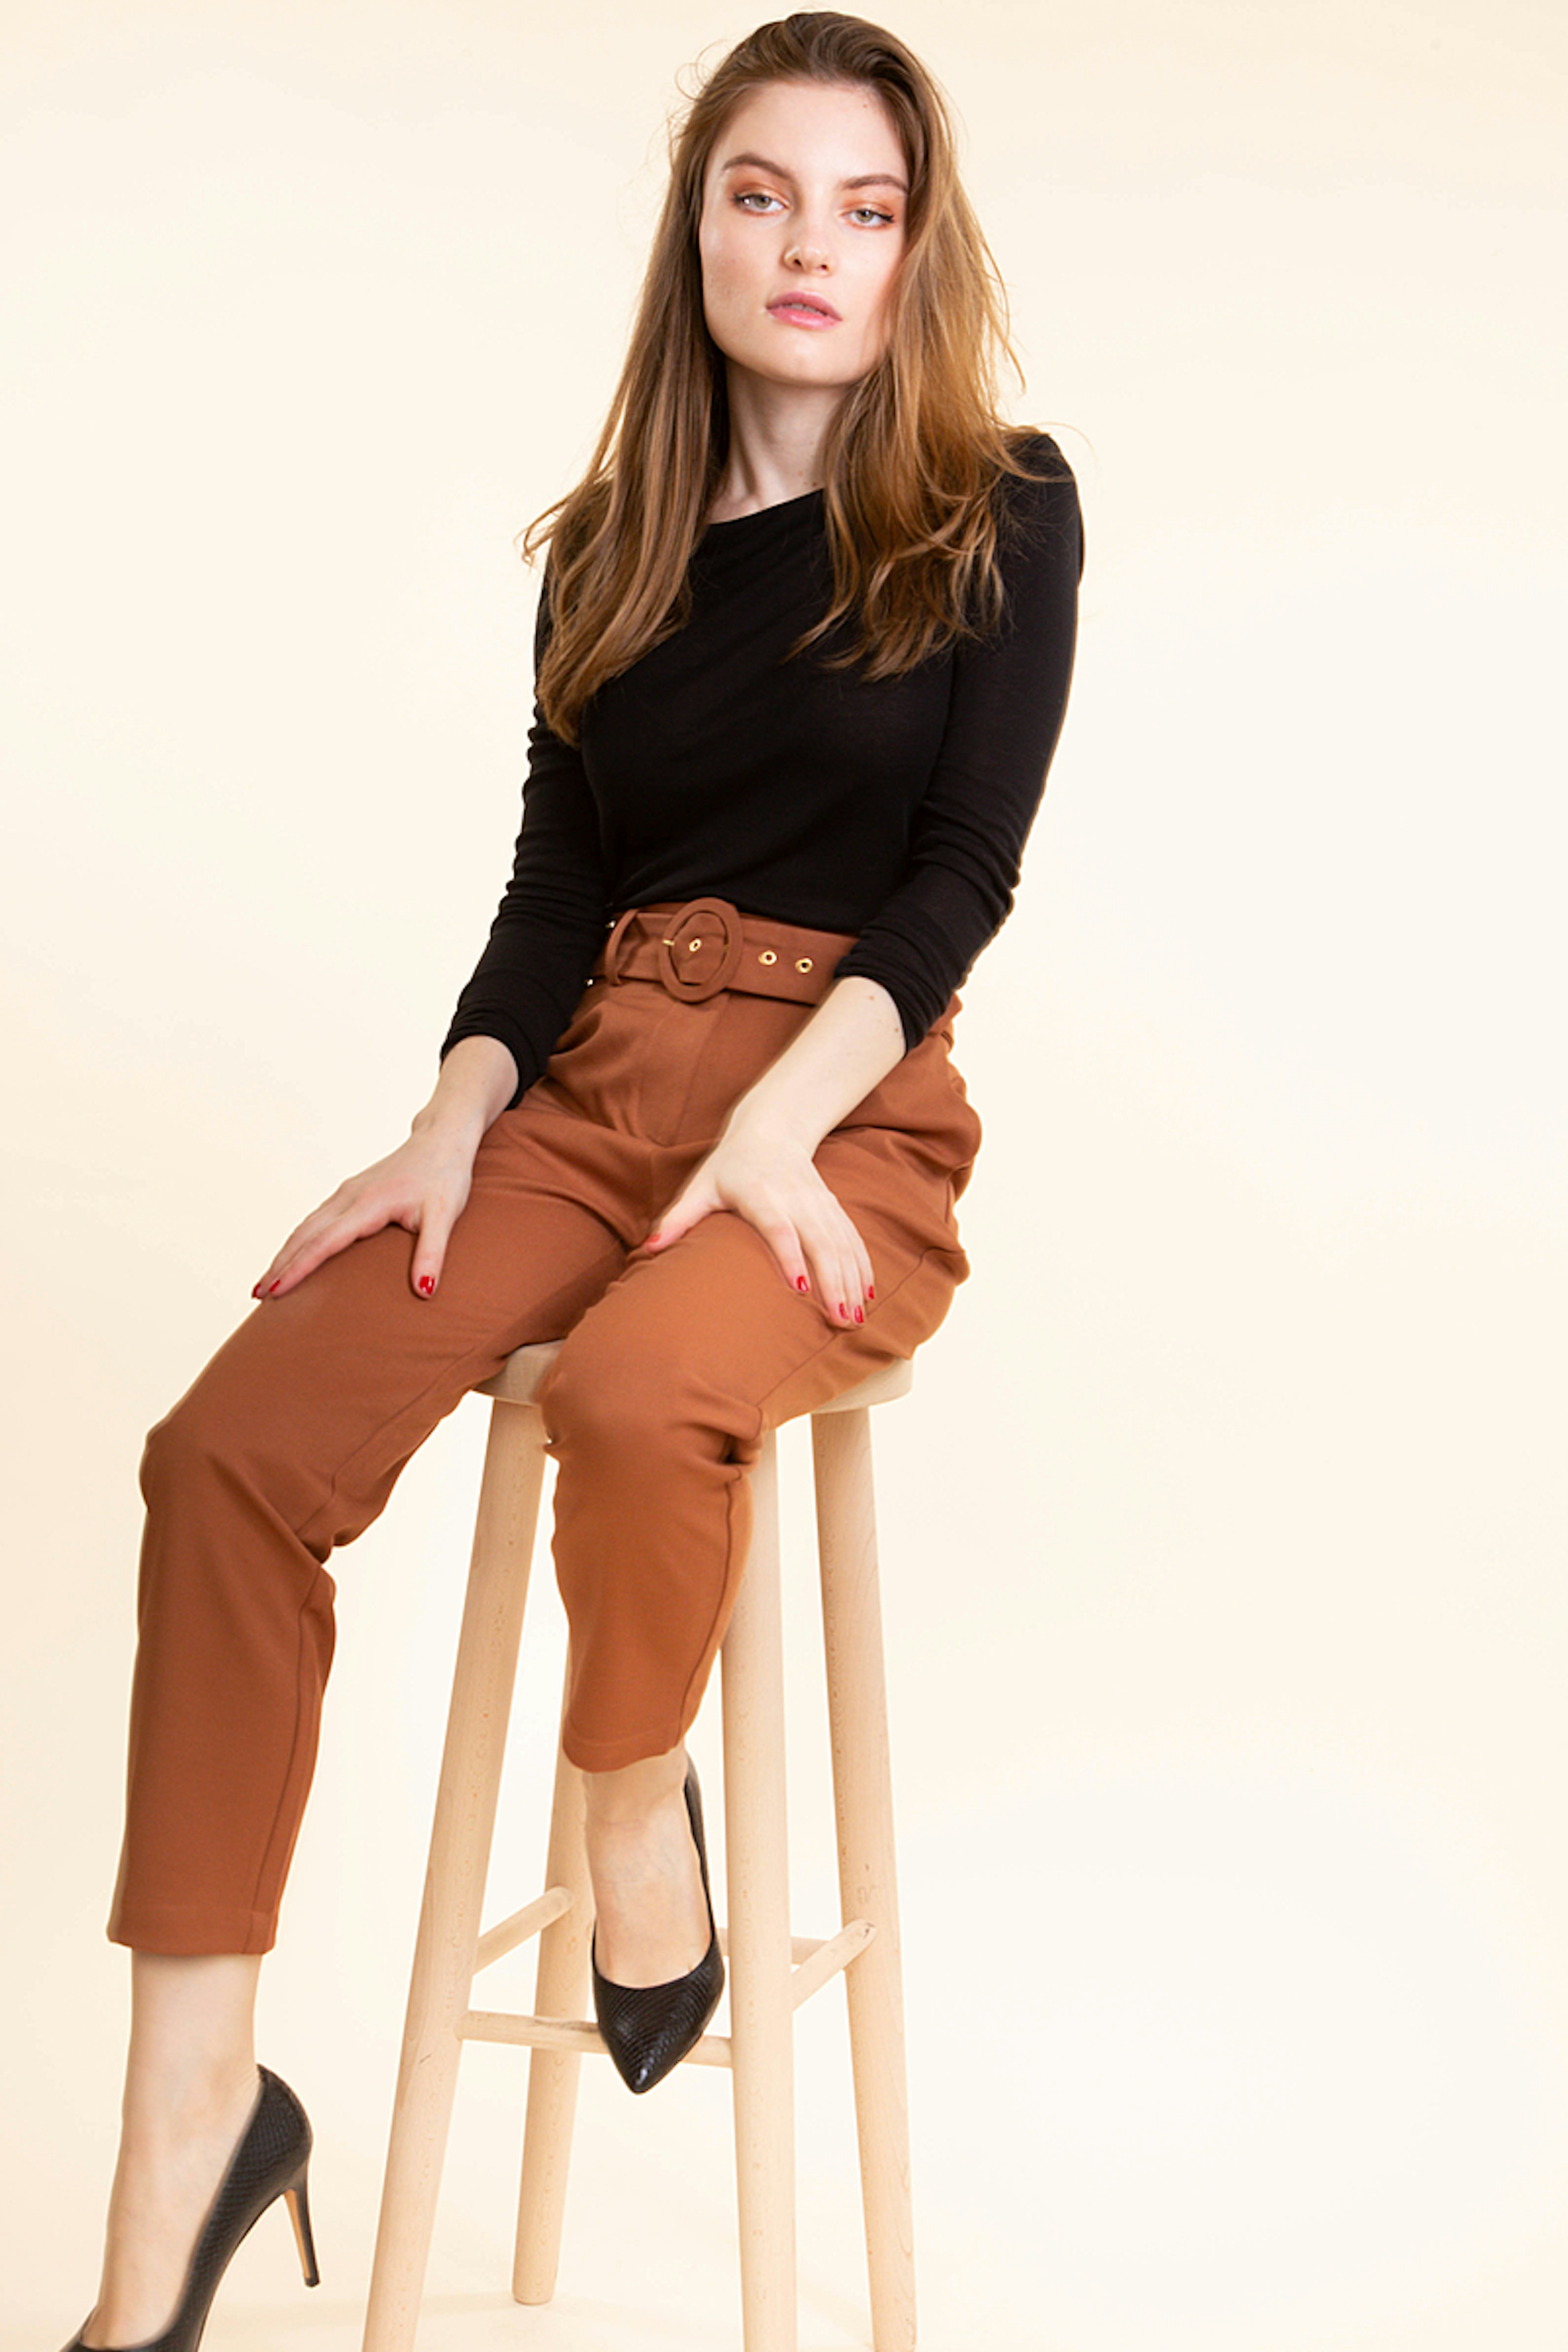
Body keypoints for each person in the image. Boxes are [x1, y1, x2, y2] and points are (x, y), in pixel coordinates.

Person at [61, 11, 1083, 2348]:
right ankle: (192, 2132)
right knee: (227, 1449)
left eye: (863, 206)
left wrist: (777, 1123)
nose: (809, 244)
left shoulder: (999, 505)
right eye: (761, 193)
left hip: (844, 1108)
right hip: (592, 1083)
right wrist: (451, 1116)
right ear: (694, 226)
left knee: (633, 1397)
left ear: (915, 249)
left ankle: (639, 1804)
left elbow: (962, 874)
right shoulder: (603, 553)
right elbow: (552, 897)